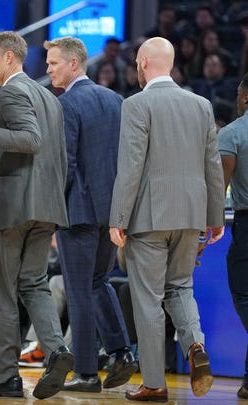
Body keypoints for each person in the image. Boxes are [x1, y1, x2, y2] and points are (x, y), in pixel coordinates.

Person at [109, 37, 225, 402]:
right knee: (181, 288)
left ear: (143, 63)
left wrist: (119, 217)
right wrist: (215, 216)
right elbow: (212, 164)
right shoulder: (201, 104)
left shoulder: (136, 104)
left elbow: (130, 166)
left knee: (148, 299)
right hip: (191, 214)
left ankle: (155, 382)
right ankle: (194, 344)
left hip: (149, 215)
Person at [0, 31, 73, 400]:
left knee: (3, 291)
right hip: (46, 205)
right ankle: (56, 351)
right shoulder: (50, 96)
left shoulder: (14, 91)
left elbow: (30, 140)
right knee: (33, 283)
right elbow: (59, 155)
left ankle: (6, 379)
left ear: (10, 59)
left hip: (15, 204)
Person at [43, 36, 137, 393]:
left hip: (79, 212)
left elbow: (64, 164)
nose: (48, 68)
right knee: (98, 282)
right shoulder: (117, 100)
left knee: (79, 289)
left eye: (53, 63)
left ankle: (85, 373)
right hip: (112, 210)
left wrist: (53, 211)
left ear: (73, 64)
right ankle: (121, 352)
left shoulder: (66, 104)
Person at [217, 72, 248, 400]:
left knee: (242, 294)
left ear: (245, 98)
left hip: (246, 223)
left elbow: (219, 185)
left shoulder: (234, 132)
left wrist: (209, 224)